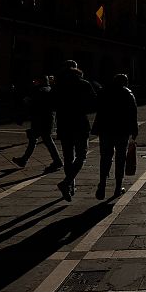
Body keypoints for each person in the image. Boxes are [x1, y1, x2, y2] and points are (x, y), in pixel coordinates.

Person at [52, 64, 97, 202]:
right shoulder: (84, 84)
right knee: (81, 155)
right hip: (80, 124)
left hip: (64, 124)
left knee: (68, 157)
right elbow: (94, 104)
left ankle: (70, 186)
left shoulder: (59, 86)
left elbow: (53, 104)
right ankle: (67, 183)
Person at [90, 73, 138, 200]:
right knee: (120, 157)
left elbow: (96, 107)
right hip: (122, 130)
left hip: (105, 129)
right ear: (124, 82)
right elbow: (133, 113)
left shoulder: (103, 92)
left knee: (105, 157)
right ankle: (118, 187)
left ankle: (102, 184)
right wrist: (134, 130)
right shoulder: (128, 94)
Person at [12, 75, 63, 170]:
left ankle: (57, 161)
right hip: (48, 120)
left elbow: (32, 106)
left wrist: (22, 115)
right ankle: (24, 159)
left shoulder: (39, 91)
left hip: (39, 120)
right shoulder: (50, 89)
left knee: (39, 140)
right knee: (42, 140)